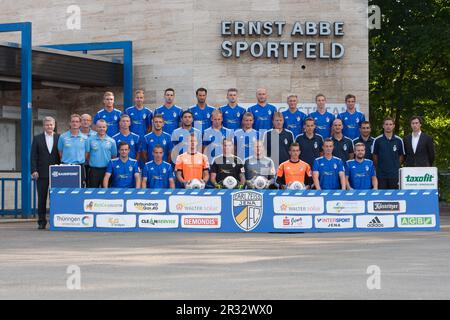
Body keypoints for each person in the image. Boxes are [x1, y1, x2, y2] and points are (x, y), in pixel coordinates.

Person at [31, 116, 60, 229]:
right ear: (43, 126)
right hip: (41, 173)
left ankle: (55, 220)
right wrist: (34, 170)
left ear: (54, 125)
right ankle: (41, 221)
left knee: (55, 198)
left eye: (51, 125)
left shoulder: (59, 137)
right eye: (47, 125)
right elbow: (33, 156)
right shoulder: (37, 138)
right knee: (42, 198)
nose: (49, 126)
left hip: (56, 173)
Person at [372, 117, 405, 189]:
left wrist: (395, 166)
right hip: (381, 175)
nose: (388, 126)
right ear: (383, 126)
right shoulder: (377, 140)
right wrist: (380, 167)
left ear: (393, 126)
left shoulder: (399, 140)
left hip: (395, 175)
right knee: (382, 197)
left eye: (390, 124)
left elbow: (401, 156)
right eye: (386, 124)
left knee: (394, 197)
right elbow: (375, 156)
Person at [85, 119, 117, 188]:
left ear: (106, 127)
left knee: (106, 192)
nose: (101, 129)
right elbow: (87, 155)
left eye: (103, 127)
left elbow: (114, 156)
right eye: (99, 127)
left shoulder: (112, 141)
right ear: (96, 128)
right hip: (93, 170)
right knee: (92, 191)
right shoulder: (89, 139)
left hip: (107, 170)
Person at [57, 114, 87, 186]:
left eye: (77, 121)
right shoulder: (63, 137)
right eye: (73, 121)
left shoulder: (85, 138)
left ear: (80, 123)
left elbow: (87, 152)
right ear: (70, 123)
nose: (74, 123)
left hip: (79, 167)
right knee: (66, 189)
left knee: (80, 189)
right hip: (66, 166)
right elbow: (60, 151)